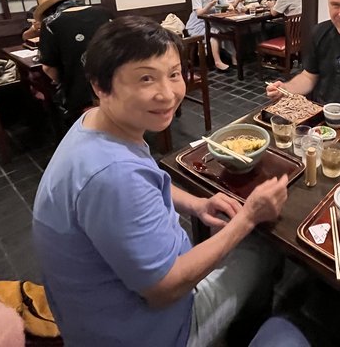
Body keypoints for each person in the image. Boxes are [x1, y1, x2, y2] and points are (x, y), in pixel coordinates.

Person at [32, 17, 289, 347]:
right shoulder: (113, 177)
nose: (167, 94)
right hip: (153, 331)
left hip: (95, 316)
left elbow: (145, 177)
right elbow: (164, 290)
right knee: (262, 247)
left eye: (174, 74)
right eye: (145, 78)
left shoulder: (93, 123)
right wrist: (248, 218)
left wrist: (196, 203)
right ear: (100, 86)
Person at [36, 0, 111, 126]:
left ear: (47, 10)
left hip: (83, 93)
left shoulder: (51, 22)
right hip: (118, 84)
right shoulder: (104, 12)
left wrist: (63, 81)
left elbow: (47, 68)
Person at [186, 0, 234, 71]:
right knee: (213, 32)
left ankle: (234, 57)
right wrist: (210, 5)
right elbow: (199, 13)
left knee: (228, 29)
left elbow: (227, 4)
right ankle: (217, 62)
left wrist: (229, 7)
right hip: (198, 23)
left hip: (213, 21)